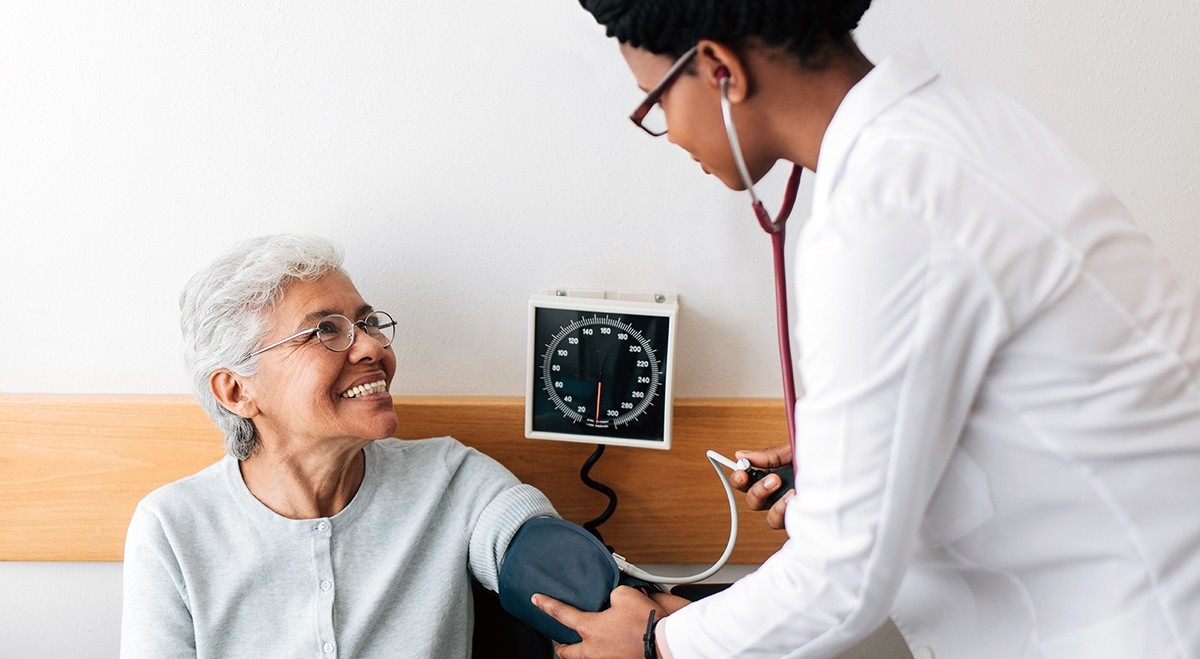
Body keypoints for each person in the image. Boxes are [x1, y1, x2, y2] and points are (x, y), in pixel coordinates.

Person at [532, 1, 1200, 657]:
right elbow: (1034, 410)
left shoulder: (887, 210)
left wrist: (656, 641)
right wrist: (850, 462)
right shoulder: (959, 124)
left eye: (655, 102)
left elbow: (841, 579)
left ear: (719, 68)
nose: (671, 135)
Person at [120, 234, 558, 658]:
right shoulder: (172, 528)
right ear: (236, 391)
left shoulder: (450, 479)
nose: (371, 346)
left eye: (368, 323)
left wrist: (621, 615)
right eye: (324, 331)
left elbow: (553, 557)